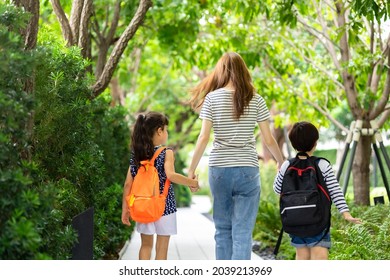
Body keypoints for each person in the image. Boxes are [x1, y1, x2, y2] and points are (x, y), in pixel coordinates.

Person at [188, 52, 284, 260]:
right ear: (244, 71)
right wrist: (281, 161)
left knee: (222, 229)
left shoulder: (212, 99)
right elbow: (268, 140)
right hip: (247, 169)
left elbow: (203, 137)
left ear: (221, 71)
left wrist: (191, 170)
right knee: (242, 232)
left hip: (219, 169)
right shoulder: (256, 99)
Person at [273, 121, 362, 260]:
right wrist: (346, 213)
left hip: (294, 221)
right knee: (319, 256)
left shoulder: (287, 165)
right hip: (317, 221)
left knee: (301, 256)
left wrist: (280, 171)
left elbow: (277, 188)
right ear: (315, 143)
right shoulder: (322, 164)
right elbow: (335, 191)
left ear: (293, 143)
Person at [121, 112, 199, 260]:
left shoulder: (137, 154)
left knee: (145, 246)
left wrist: (126, 209)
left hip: (143, 206)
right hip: (165, 207)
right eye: (166, 129)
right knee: (161, 250)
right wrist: (193, 183)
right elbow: (171, 175)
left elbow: (127, 184)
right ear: (159, 131)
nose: (167, 133)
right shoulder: (166, 152)